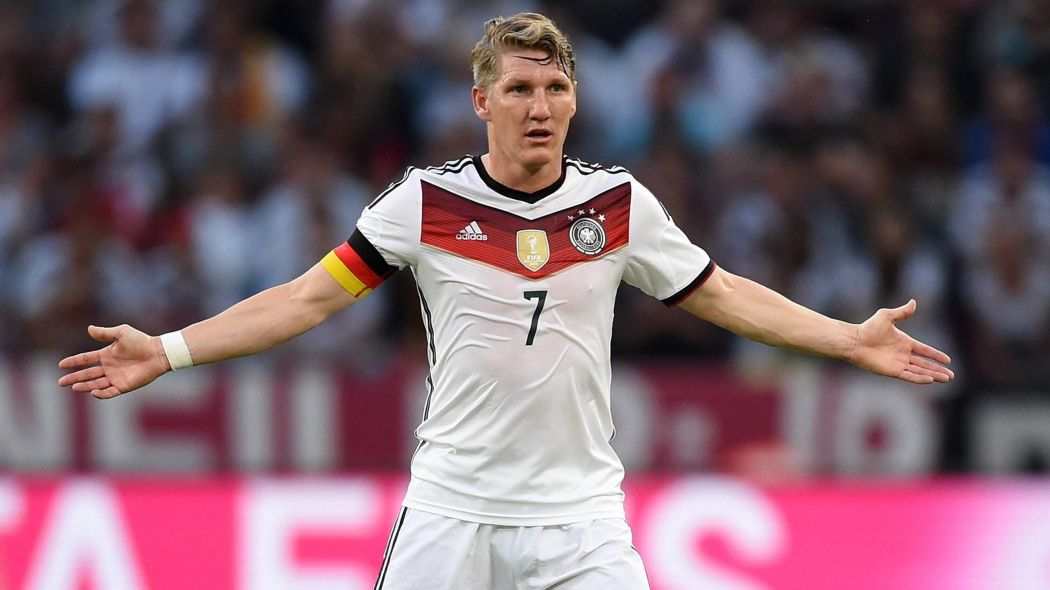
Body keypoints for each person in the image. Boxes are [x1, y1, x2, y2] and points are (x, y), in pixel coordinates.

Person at [58, 12, 954, 590]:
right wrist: (168, 350)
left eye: (556, 88)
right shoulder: (425, 205)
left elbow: (720, 294)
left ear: (576, 99)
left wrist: (848, 340)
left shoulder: (618, 206)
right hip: (452, 511)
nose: (540, 107)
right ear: (482, 101)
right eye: (520, 89)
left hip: (580, 520)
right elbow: (302, 301)